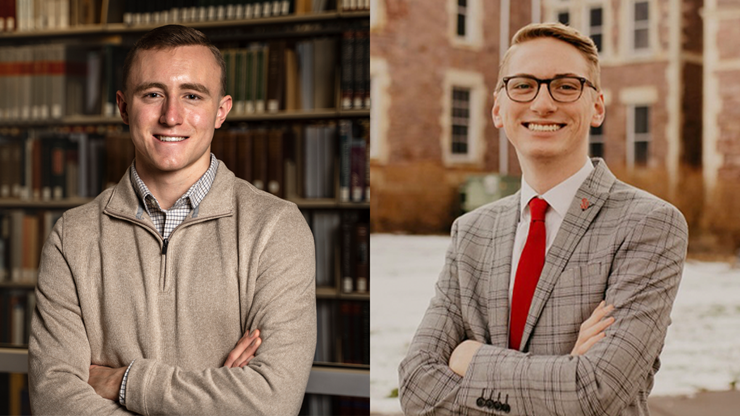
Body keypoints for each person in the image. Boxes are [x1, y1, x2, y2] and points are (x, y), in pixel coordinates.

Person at [398, 22, 688, 416]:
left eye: (566, 86)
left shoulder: (649, 224)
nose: (543, 103)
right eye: (523, 85)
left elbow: (595, 391)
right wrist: (562, 371)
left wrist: (470, 357)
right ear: (499, 109)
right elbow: (417, 384)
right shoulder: (471, 232)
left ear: (597, 106)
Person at [28, 25, 316, 415]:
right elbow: (53, 400)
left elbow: (271, 401)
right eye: (153, 94)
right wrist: (219, 396)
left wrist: (123, 382)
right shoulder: (72, 237)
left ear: (221, 111)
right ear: (124, 106)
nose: (171, 116)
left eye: (192, 96)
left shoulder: (276, 229)